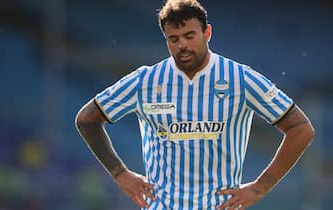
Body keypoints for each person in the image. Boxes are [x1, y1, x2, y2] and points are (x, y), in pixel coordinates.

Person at [75, 0, 315, 209]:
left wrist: (261, 187)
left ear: (207, 33)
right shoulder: (145, 80)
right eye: (174, 39)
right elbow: (87, 119)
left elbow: (301, 129)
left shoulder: (239, 78)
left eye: (190, 36)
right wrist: (120, 175)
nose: (182, 46)